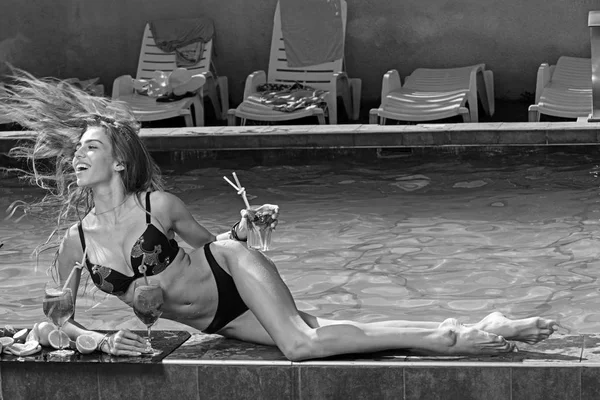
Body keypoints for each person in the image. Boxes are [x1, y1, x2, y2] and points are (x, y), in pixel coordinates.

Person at [1, 70, 558, 361]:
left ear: (120, 161)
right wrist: (103, 341)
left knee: (300, 346)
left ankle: (451, 342)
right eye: (77, 149)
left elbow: (214, 244)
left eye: (90, 147)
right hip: (218, 320)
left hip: (230, 269)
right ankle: (482, 325)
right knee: (337, 334)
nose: (78, 155)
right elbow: (57, 320)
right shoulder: (74, 243)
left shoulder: (159, 207)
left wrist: (244, 230)